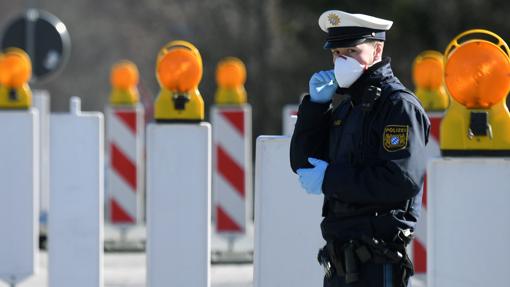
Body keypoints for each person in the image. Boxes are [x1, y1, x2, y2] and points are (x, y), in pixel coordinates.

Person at [290, 10, 431, 287]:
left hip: (377, 264)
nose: (342, 60)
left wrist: (331, 179)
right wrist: (315, 108)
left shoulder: (397, 106)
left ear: (377, 49)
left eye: (352, 51)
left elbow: (400, 180)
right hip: (340, 262)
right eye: (337, 53)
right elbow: (303, 163)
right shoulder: (348, 107)